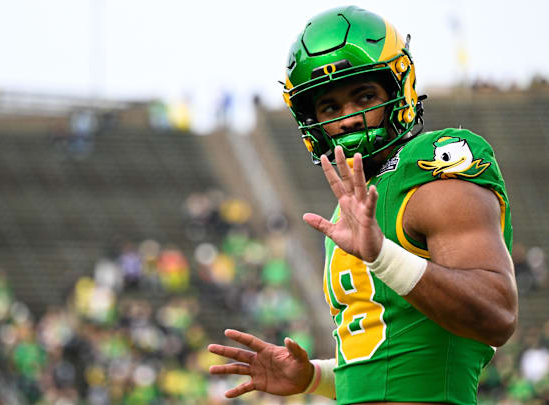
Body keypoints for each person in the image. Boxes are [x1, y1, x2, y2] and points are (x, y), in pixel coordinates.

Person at [208, 6, 518, 405]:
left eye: (364, 96)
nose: (349, 119)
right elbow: (391, 364)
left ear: (397, 91)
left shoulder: (432, 164)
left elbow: (497, 314)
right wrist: (312, 377)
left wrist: (382, 255)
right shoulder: (346, 211)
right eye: (330, 108)